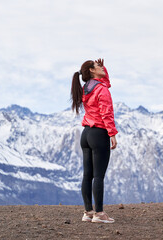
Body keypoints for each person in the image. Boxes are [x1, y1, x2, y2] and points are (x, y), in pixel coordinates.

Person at [71, 58, 118, 223]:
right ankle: (99, 214)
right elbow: (106, 113)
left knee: (87, 175)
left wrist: (103, 68)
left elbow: (105, 82)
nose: (102, 68)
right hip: (99, 134)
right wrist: (112, 134)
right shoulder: (102, 90)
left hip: (86, 134)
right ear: (91, 70)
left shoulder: (86, 88)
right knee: (98, 176)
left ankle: (88, 212)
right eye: (98, 66)